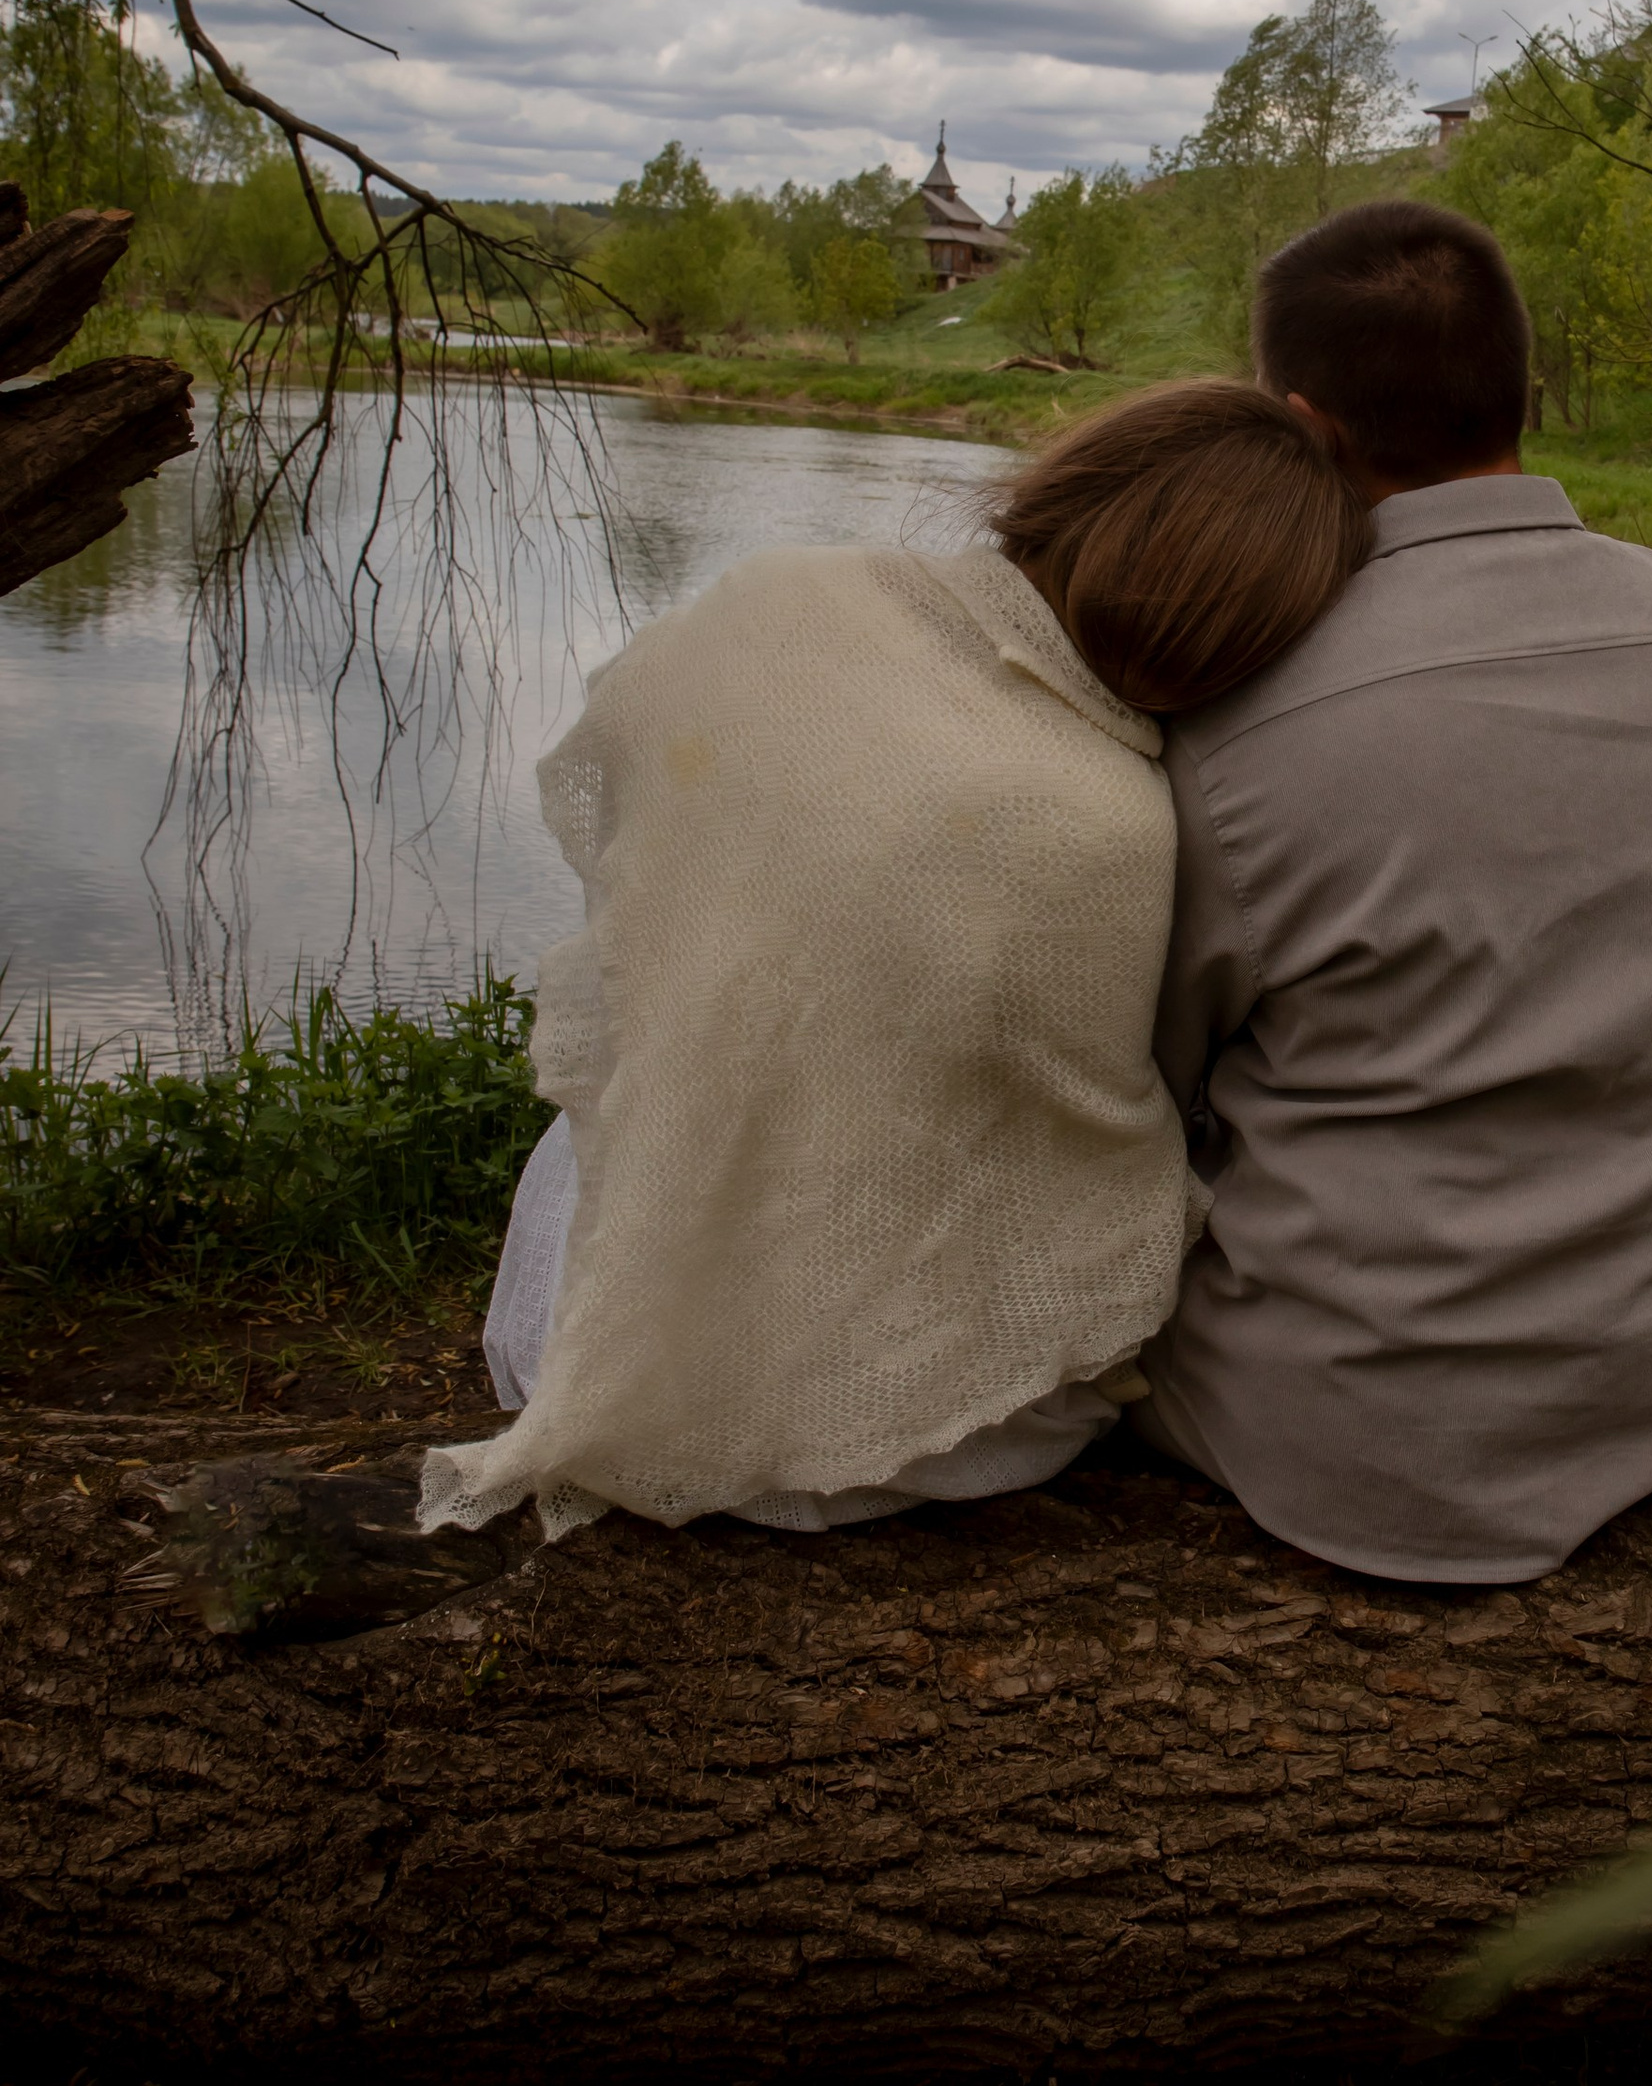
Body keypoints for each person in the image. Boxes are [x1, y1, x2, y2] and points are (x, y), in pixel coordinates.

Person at [418, 383, 1369, 1545]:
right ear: (1245, 645)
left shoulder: (778, 597)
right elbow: (1094, 1136)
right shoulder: (1110, 825)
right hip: (907, 1444)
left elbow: (626, 813)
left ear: (1063, 492)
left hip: (566, 1313)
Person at [1137, 199, 1652, 1584]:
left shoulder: (1235, 719)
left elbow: (1154, 1082)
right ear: (1526, 392)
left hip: (1343, 1454)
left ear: (1304, 427)